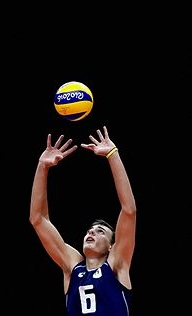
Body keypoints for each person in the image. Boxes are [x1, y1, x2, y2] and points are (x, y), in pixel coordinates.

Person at [29, 126, 137, 315]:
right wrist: (42, 167)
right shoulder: (72, 267)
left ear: (112, 246)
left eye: (100, 231)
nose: (91, 232)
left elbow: (129, 210)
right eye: (90, 230)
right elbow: (38, 219)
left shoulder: (117, 263)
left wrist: (113, 154)